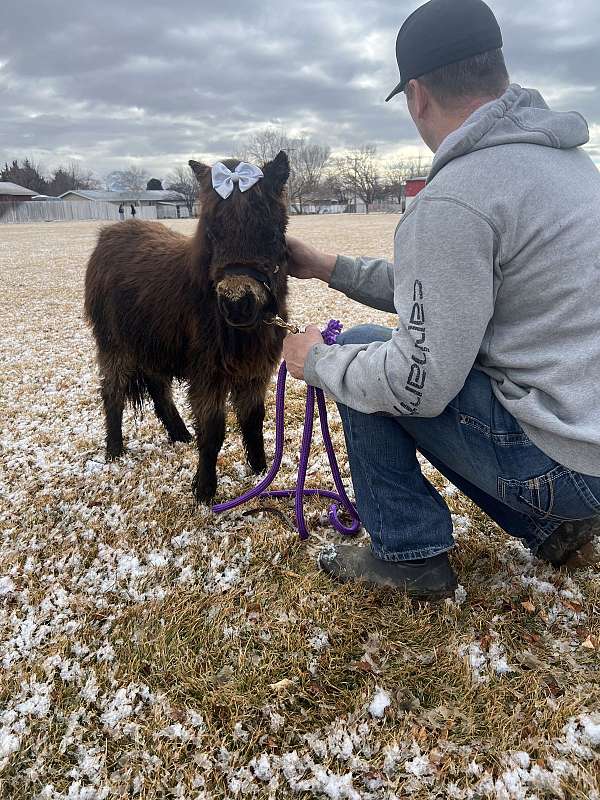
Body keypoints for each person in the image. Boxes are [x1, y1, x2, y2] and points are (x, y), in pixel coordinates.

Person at [282, 0, 600, 600]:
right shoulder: (565, 165)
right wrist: (331, 268)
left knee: (358, 353)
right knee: (435, 363)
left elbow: (415, 382)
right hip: (588, 437)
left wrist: (316, 363)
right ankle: (556, 526)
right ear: (498, 72)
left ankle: (409, 555)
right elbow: (452, 296)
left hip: (562, 464)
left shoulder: (457, 199)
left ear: (418, 95)